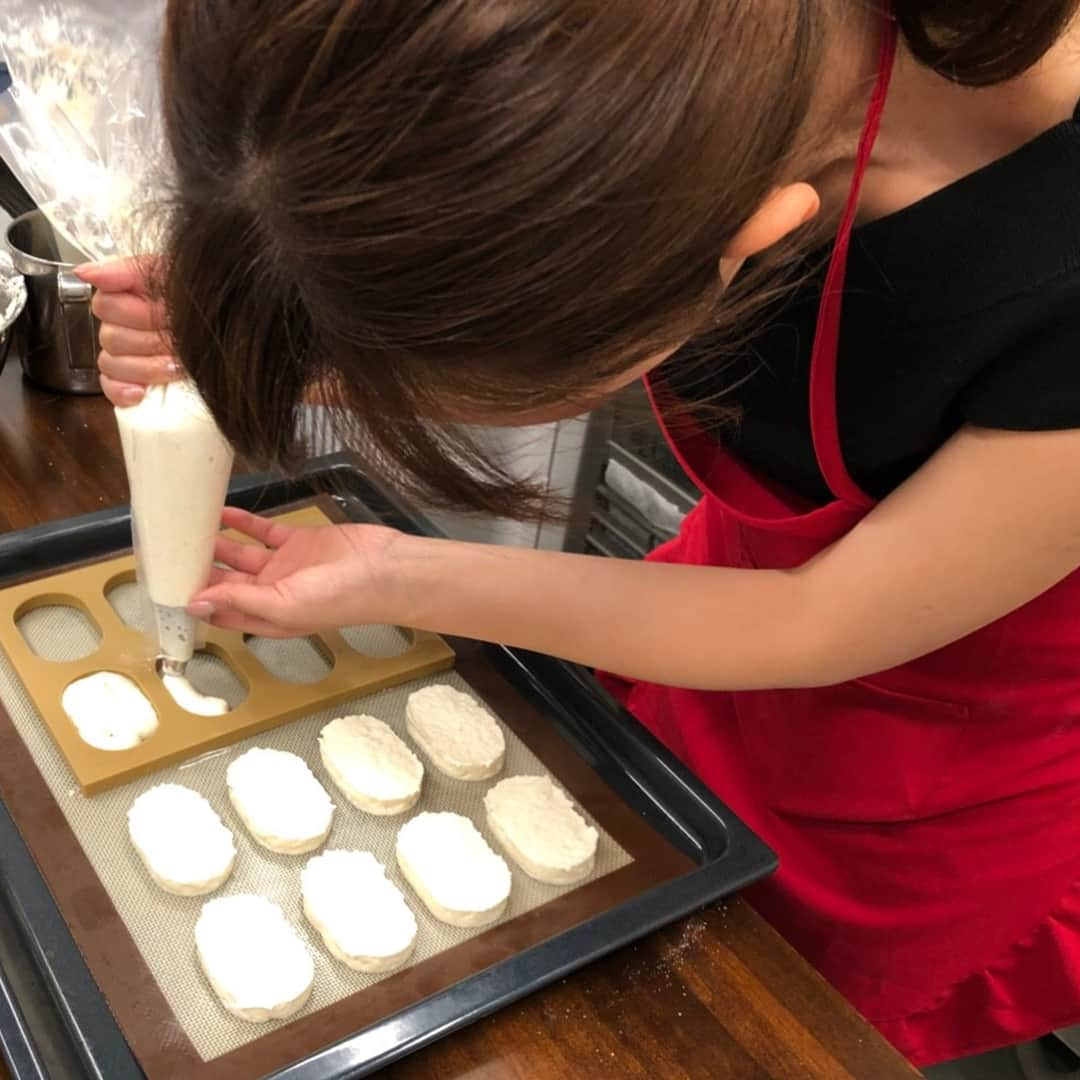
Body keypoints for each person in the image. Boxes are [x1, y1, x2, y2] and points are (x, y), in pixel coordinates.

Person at [78, 0, 1080, 1066]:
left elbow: (815, 616)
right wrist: (294, 310)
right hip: (700, 623)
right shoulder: (651, 78)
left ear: (751, 236)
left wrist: (393, 567)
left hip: (927, 780)